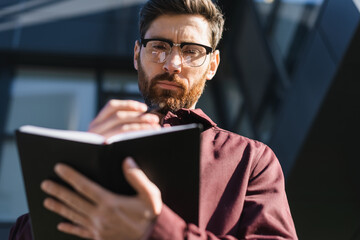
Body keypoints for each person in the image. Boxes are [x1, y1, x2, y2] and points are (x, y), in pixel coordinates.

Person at [9, 0, 298, 239]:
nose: (172, 64)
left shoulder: (252, 160)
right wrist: (86, 169)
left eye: (191, 51)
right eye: (159, 46)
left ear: (212, 65)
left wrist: (156, 228)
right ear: (137, 54)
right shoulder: (96, 145)